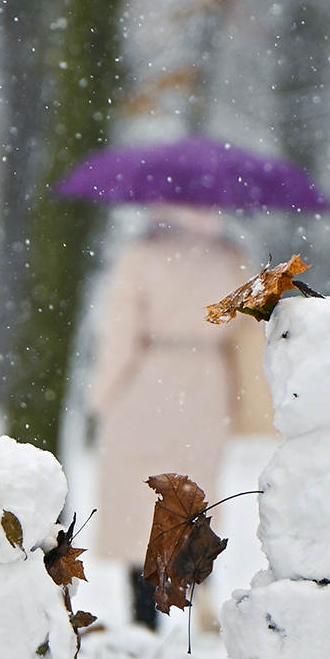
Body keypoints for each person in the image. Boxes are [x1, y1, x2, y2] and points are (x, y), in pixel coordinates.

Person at [87, 205, 267, 627]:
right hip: (208, 386)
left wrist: (103, 395)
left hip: (147, 379)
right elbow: (248, 332)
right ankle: (198, 591)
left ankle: (144, 613)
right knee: (192, 495)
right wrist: (248, 401)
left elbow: (120, 334)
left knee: (140, 500)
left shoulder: (141, 256)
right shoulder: (231, 257)